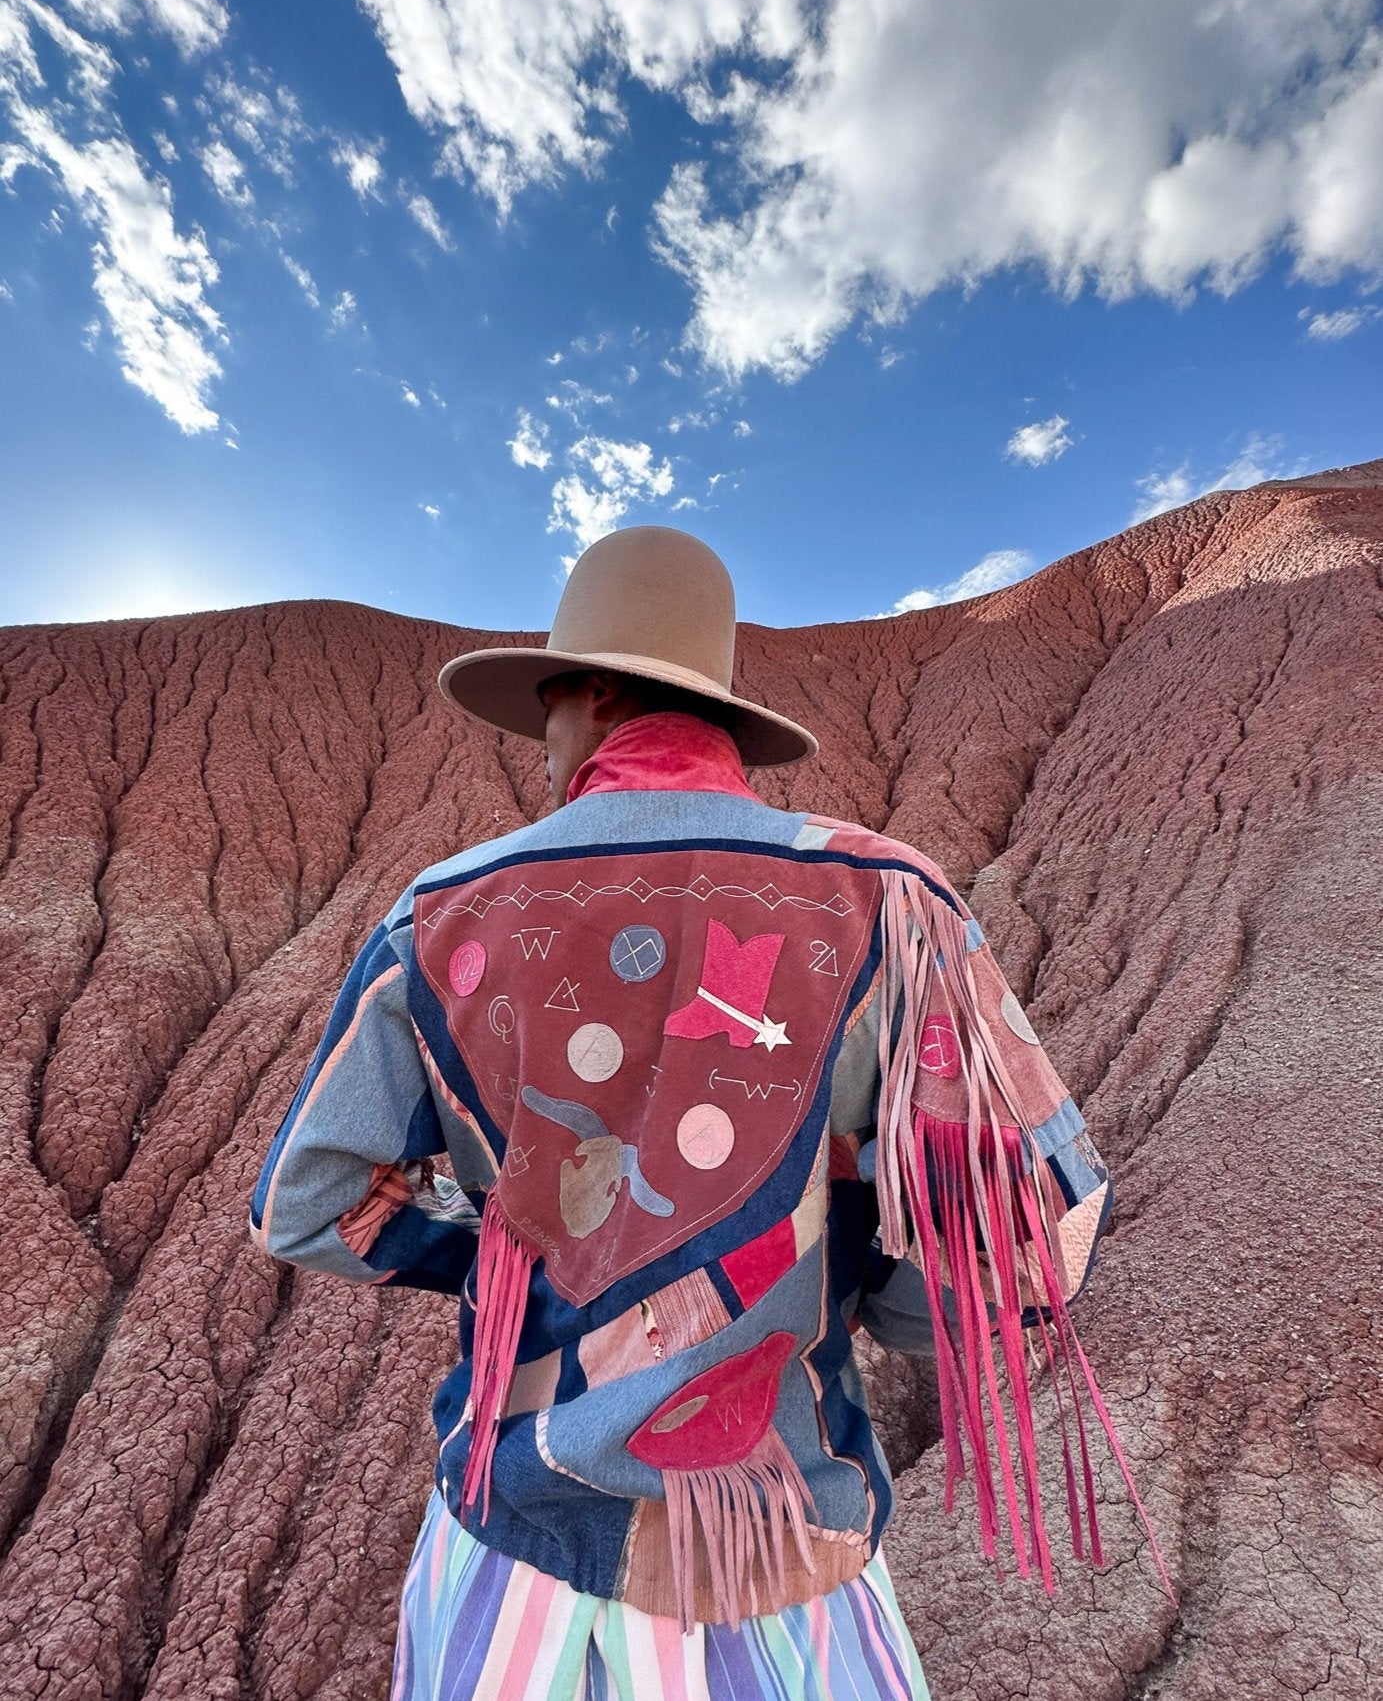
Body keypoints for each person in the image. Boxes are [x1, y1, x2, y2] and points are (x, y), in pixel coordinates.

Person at [250, 527, 1155, 1701]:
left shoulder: (443, 914)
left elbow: (306, 1205)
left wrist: (522, 1237)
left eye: (548, 711)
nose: (546, 747)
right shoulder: (890, 901)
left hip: (518, 1560)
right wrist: (845, 1264)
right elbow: (1027, 1235)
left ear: (586, 691)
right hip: (789, 1572)